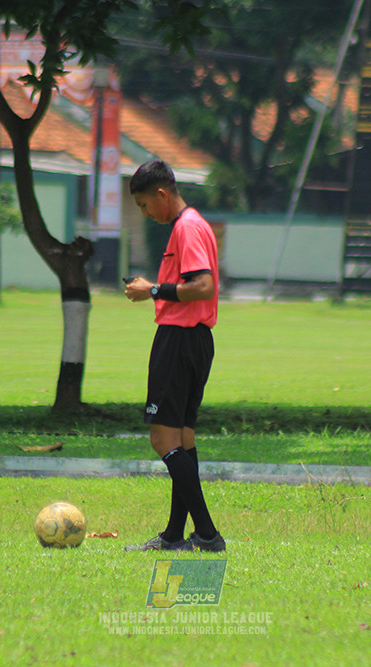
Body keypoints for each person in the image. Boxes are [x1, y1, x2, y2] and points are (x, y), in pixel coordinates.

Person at [123, 159, 226, 553]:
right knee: (182, 438)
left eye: (145, 206)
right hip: (193, 341)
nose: (146, 214)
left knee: (162, 438)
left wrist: (152, 290)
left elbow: (202, 286)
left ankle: (207, 533)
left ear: (162, 194)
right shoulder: (191, 226)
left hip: (180, 340)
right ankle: (173, 535)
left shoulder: (187, 227)